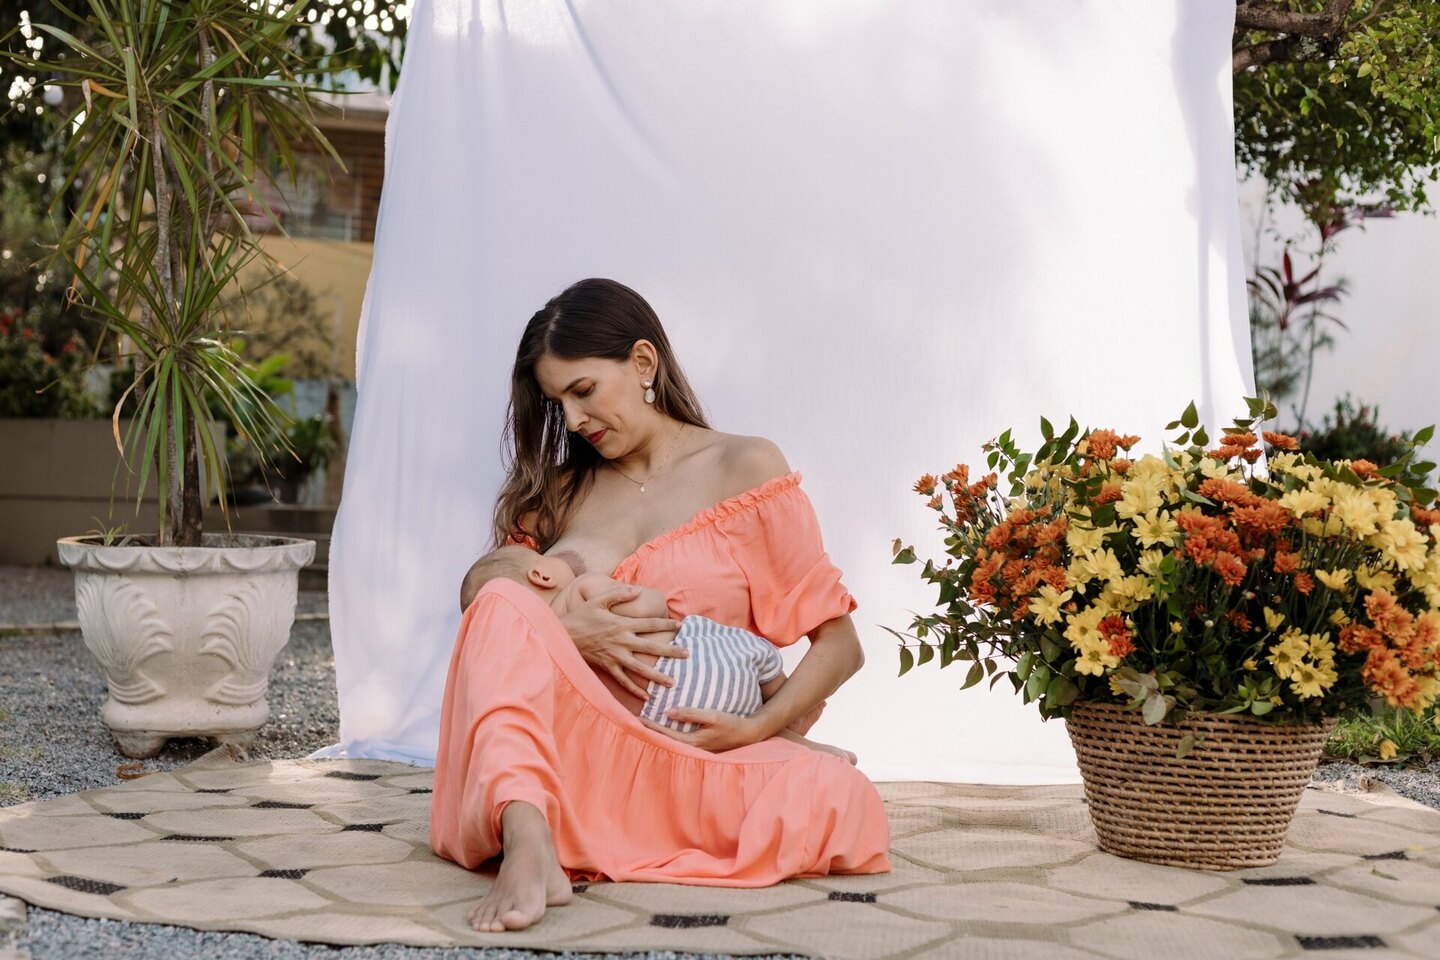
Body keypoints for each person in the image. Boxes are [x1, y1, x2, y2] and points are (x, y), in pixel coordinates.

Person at [430, 278, 891, 934]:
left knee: (840, 800)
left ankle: (595, 830)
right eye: (556, 403)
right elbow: (492, 610)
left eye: (583, 391)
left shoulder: (745, 466)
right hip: (567, 752)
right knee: (503, 597)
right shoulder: (557, 494)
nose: (573, 421)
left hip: (683, 755)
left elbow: (841, 647)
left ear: (643, 363)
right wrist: (565, 627)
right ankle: (531, 843)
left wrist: (755, 730)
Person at [459, 543, 859, 760]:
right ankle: (786, 706)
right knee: (760, 657)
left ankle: (802, 744)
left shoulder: (535, 654)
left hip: (663, 715)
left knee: (751, 739)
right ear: (541, 573)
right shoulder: (580, 591)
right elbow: (648, 608)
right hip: (689, 661)